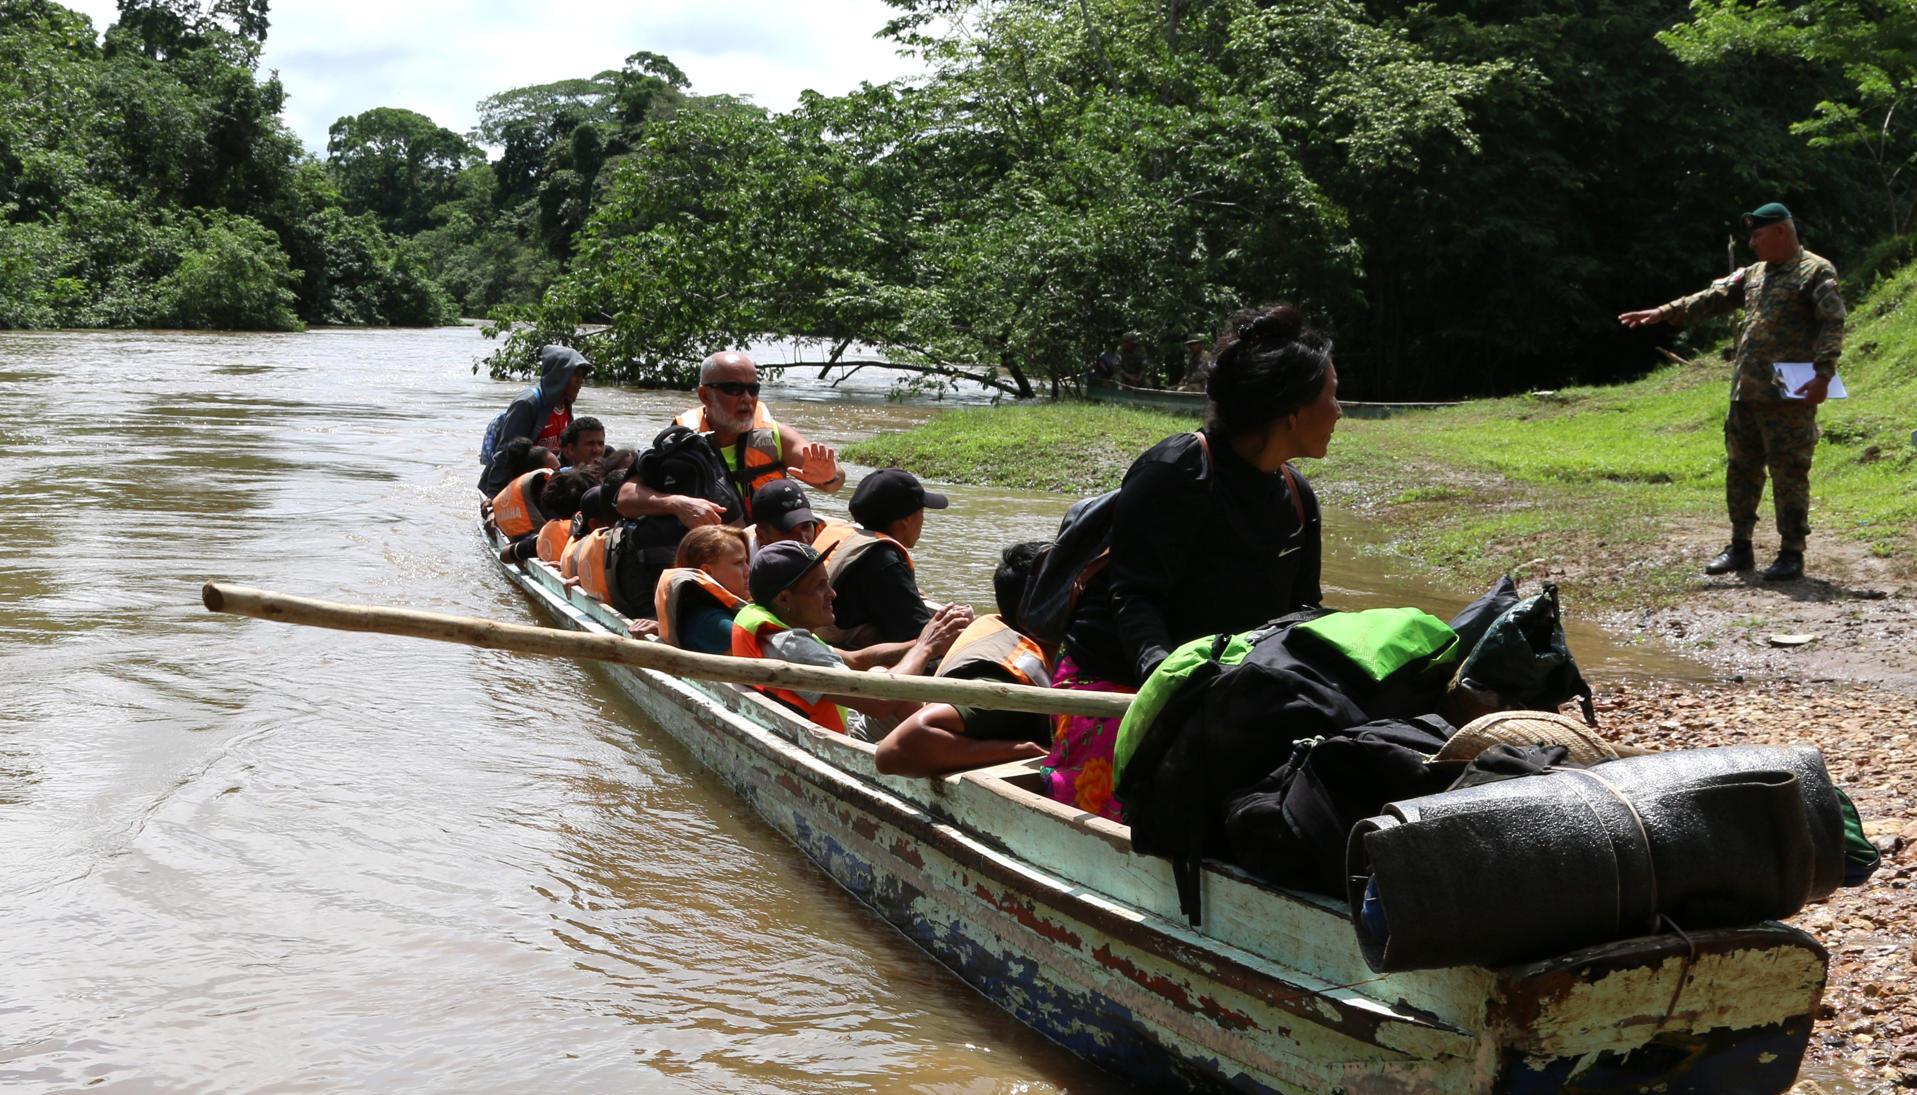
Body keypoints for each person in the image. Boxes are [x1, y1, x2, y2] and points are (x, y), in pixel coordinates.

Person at [1047, 303, 1339, 820]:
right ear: (1291, 410)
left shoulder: (1297, 495)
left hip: (1223, 686)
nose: (1339, 412)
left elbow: (1302, 611)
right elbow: (1134, 595)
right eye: (1331, 396)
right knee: (1136, 814)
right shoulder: (1178, 469)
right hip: (1120, 676)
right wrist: (1164, 682)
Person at [1618, 202, 1846, 582]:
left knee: (1789, 472)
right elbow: (1711, 299)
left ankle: (1792, 552)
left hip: (1788, 395)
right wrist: (1663, 312)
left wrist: (1823, 376)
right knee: (1741, 471)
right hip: (1746, 393)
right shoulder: (1754, 274)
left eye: (1757, 235)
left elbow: (1832, 321)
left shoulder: (1815, 270)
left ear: (1781, 232)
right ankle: (1740, 547)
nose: (1752, 243)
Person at [731, 542, 968, 740]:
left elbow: (857, 660)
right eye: (819, 586)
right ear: (784, 599)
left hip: (848, 722)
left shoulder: (783, 624)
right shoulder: (791, 647)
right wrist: (925, 648)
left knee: (878, 671)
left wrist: (930, 641)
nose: (832, 594)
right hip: (839, 743)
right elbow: (882, 701)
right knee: (898, 691)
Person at [874, 541, 1054, 777]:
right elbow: (895, 751)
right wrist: (1022, 751)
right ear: (1038, 614)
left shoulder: (1017, 636)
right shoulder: (1002, 680)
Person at [643, 350, 846, 526]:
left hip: (768, 545)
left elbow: (835, 482)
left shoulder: (777, 436)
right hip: (714, 549)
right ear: (705, 395)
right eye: (734, 389)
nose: (747, 398)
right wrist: (676, 504)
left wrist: (830, 477)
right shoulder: (679, 441)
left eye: (753, 389)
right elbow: (625, 496)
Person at [813, 469, 969, 646]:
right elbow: (920, 635)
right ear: (904, 523)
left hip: (816, 636)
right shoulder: (883, 561)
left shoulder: (844, 535)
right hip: (843, 654)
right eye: (921, 513)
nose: (923, 520)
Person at [479, 345, 589, 495]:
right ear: (559, 376)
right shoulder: (528, 403)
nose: (580, 381)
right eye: (576, 375)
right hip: (513, 486)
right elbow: (506, 452)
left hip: (540, 486)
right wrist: (492, 496)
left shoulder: (565, 405)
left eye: (583, 376)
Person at [654, 525, 751, 654]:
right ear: (707, 571)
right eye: (738, 563)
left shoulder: (694, 611)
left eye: (746, 561)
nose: (748, 570)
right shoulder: (714, 625)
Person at [749, 479, 825, 551]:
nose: (803, 540)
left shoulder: (829, 542)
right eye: (788, 531)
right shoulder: (743, 559)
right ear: (761, 536)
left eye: (806, 527)